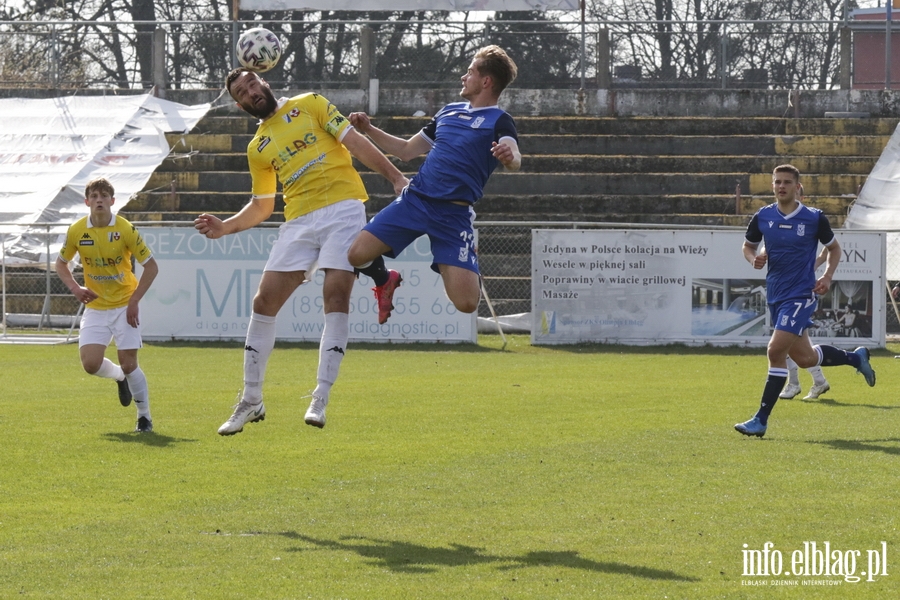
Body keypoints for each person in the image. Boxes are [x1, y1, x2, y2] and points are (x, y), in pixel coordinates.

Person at [195, 67, 408, 435]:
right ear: (239, 105)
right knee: (263, 302)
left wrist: (396, 177)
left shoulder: (310, 104)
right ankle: (251, 401)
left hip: (343, 207)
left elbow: (354, 142)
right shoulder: (257, 147)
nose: (250, 94)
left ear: (264, 82)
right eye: (241, 94)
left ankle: (320, 396)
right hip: (298, 222)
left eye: (251, 85)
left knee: (335, 293)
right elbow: (262, 205)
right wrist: (225, 226)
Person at [346, 45, 522, 314]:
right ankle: (386, 280)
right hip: (415, 200)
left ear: (486, 81)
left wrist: (509, 157)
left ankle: (465, 265)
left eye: (470, 72)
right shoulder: (448, 112)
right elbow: (406, 151)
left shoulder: (500, 120)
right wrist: (368, 129)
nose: (464, 77)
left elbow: (516, 159)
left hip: (453, 214)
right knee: (356, 255)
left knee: (466, 304)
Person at [735, 164, 875, 437]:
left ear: (798, 187)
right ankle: (855, 359)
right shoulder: (763, 217)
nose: (781, 186)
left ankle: (760, 420)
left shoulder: (813, 218)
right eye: (777, 182)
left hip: (801, 294)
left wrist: (827, 276)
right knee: (804, 357)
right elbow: (748, 246)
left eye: (787, 182)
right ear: (772, 185)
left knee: (775, 352)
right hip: (776, 293)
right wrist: (754, 259)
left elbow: (833, 248)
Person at [55, 177, 159, 433]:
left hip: (125, 304)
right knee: (90, 364)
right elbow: (61, 263)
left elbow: (152, 267)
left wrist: (134, 300)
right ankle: (118, 378)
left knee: (129, 362)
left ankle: (144, 417)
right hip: (96, 307)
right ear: (87, 201)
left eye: (104, 196)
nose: (99, 200)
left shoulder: (125, 229)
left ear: (113, 201)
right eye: (94, 195)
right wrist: (75, 288)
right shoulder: (77, 230)